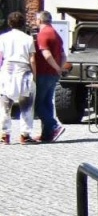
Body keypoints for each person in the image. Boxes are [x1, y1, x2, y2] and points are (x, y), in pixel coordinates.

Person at [0, 11, 37, 145]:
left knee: (5, 106)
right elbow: (32, 59)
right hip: (24, 72)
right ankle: (24, 135)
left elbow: (0, 57)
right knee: (26, 106)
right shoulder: (28, 39)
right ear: (22, 23)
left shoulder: (3, 38)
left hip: (7, 72)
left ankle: (4, 134)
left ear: (9, 23)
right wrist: (35, 75)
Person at [32, 10, 66, 142]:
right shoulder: (56, 34)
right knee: (47, 103)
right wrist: (60, 68)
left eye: (36, 20)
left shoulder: (43, 34)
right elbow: (63, 55)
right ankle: (47, 135)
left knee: (38, 104)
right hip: (53, 75)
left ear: (40, 20)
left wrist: (56, 67)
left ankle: (54, 125)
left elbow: (46, 54)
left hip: (44, 73)